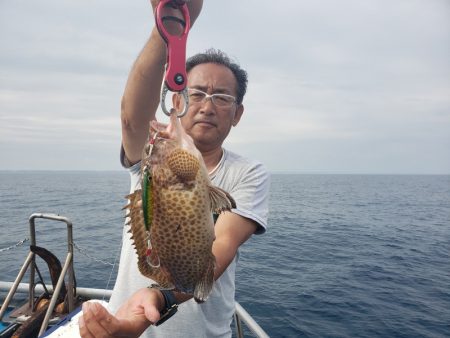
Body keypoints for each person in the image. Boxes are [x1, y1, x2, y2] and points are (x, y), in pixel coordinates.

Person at [79, 0, 269, 337]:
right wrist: (166, 32)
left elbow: (220, 248)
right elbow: (131, 116)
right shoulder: (152, 155)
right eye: (196, 93)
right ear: (176, 101)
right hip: (123, 323)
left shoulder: (248, 172)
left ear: (237, 114)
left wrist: (160, 296)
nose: (207, 107)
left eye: (222, 98)